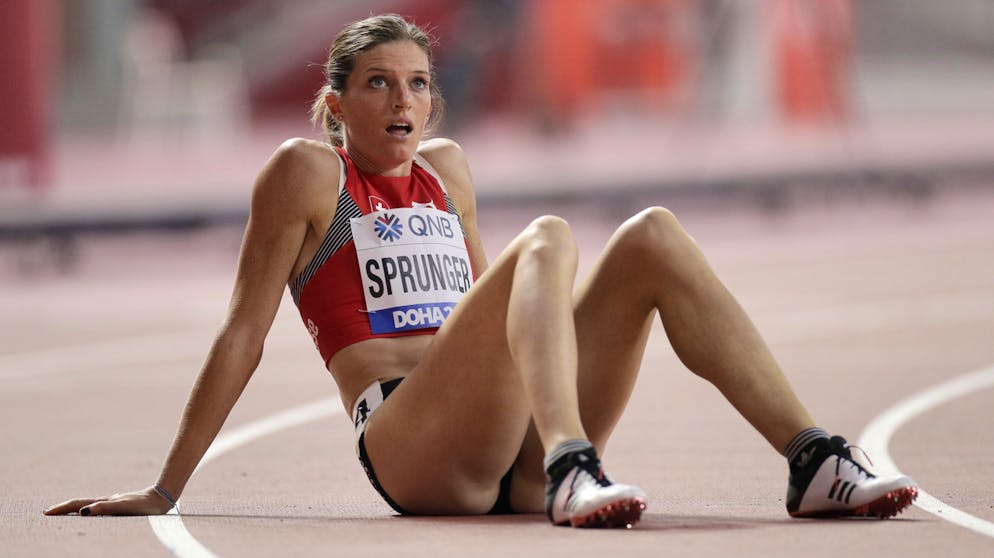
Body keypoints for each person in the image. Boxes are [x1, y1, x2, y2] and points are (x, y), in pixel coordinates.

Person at [45, 14, 917, 528]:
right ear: (336, 103)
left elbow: (503, 319)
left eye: (418, 84)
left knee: (651, 234)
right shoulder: (308, 174)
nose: (402, 102)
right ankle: (576, 462)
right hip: (413, 447)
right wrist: (166, 488)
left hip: (510, 446)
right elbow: (243, 331)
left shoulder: (449, 171)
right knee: (546, 238)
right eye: (379, 84)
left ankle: (814, 461)